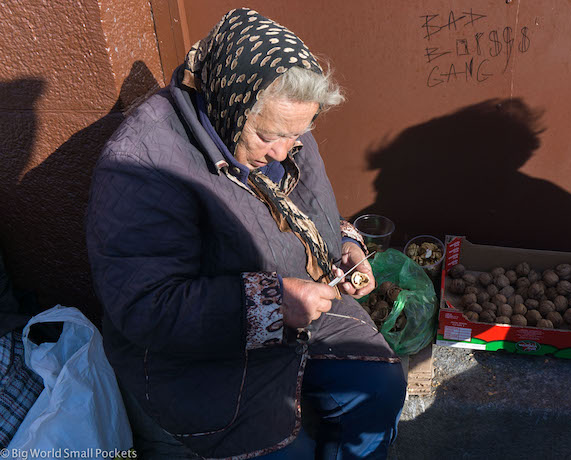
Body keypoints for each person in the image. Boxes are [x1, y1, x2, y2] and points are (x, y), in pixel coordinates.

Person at [86, 8, 406, 459]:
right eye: (268, 136)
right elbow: (147, 307)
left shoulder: (284, 124)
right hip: (201, 350)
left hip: (298, 309)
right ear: (231, 101)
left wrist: (344, 244)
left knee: (380, 386)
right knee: (281, 451)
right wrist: (273, 304)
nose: (282, 150)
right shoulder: (142, 165)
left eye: (298, 137)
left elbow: (304, 210)